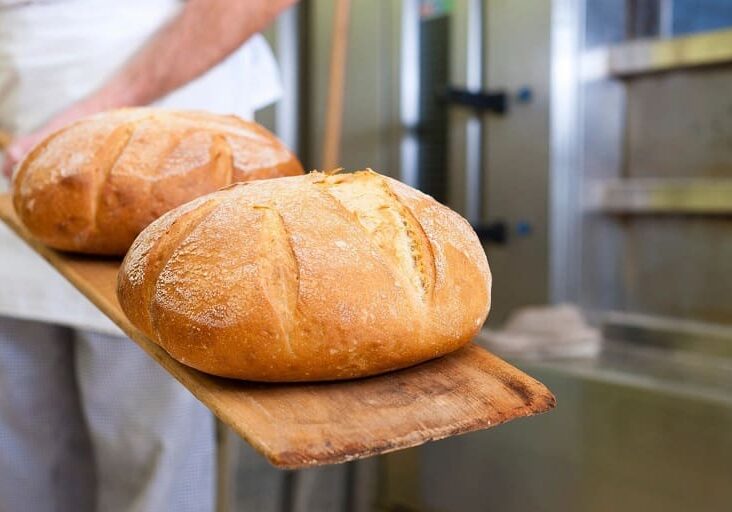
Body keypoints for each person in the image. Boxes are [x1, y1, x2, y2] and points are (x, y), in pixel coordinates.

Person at [0, 0, 297, 510]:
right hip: (15, 168)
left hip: (164, 168)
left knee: (153, 474)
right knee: (22, 463)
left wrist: (103, 111)